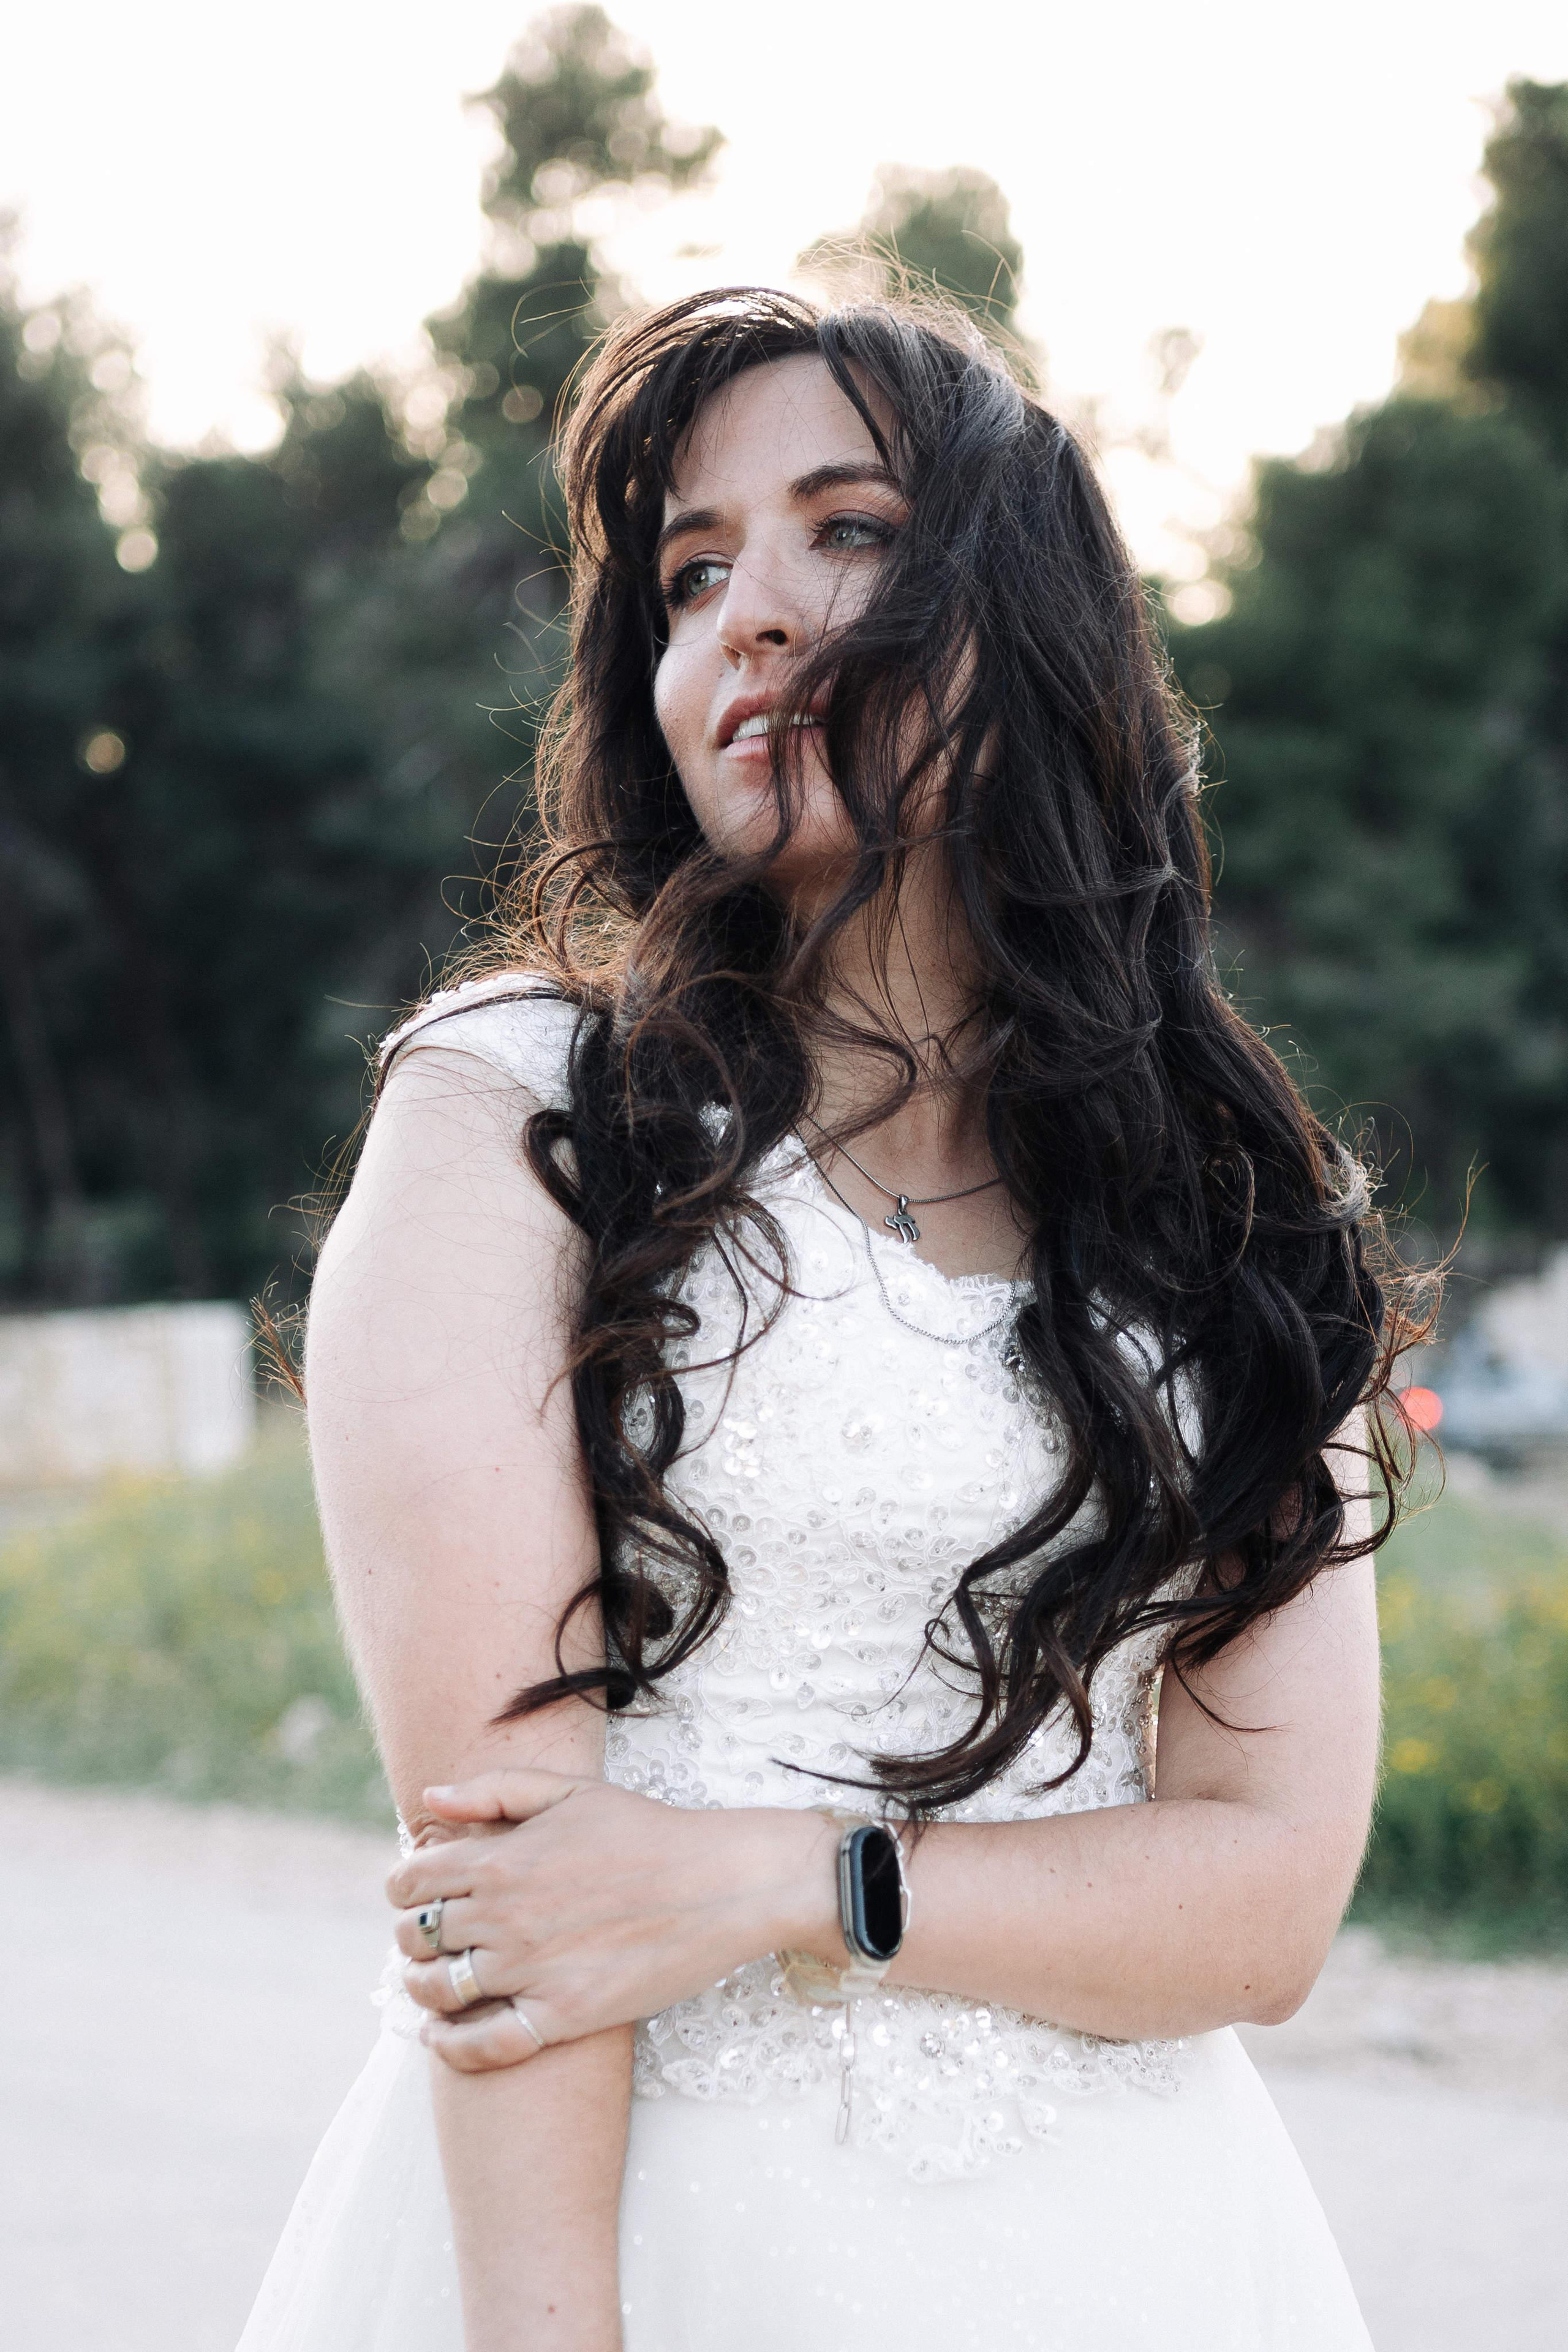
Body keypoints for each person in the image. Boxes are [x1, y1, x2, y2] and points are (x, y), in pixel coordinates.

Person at [239, 287, 1413, 2351]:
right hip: (669, 2241)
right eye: (693, 574)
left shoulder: (1229, 1220)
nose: (750, 618)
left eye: (846, 532)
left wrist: (799, 1879)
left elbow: (1267, 1899)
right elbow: (516, 1894)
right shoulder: (522, 1114)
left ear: (1025, 614)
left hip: (1134, 2255)